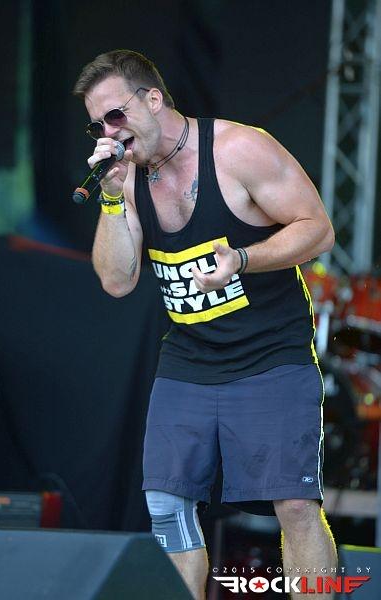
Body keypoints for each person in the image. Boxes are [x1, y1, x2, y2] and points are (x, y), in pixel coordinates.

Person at [74, 49, 337, 600]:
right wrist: (112, 200)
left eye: (116, 115)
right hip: (190, 357)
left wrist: (243, 259)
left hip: (271, 352)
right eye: (98, 125)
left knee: (295, 504)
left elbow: (317, 228)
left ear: (153, 99)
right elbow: (117, 281)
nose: (109, 132)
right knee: (166, 507)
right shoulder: (128, 180)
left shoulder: (239, 149)